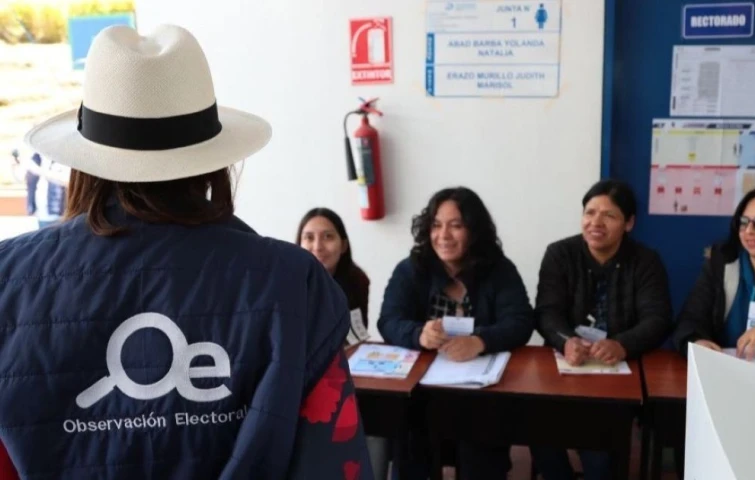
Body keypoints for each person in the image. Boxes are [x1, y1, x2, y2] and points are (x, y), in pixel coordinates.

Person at [0, 24, 372, 480]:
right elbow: (335, 462)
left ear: (86, 160)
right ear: (214, 160)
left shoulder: (8, 281)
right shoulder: (293, 282)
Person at [378, 186, 535, 480]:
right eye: (436, 225)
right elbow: (388, 320)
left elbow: (521, 321)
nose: (444, 235)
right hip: (422, 391)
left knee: (481, 449)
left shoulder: (498, 270)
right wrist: (418, 334)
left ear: (474, 231)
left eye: (456, 225)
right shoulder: (412, 270)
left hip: (480, 392)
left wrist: (480, 341)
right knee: (410, 442)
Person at [533, 179, 672, 480]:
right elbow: (547, 313)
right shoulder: (559, 254)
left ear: (629, 223)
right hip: (566, 366)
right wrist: (566, 341)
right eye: (590, 212)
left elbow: (657, 319)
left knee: (599, 454)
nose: (596, 222)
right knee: (540, 434)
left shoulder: (646, 261)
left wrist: (622, 344)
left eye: (609, 215)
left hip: (618, 374)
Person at [296, 207, 391, 479]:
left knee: (377, 414)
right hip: (305, 378)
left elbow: (357, 332)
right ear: (298, 243)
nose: (318, 246)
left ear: (343, 244)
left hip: (350, 371)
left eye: (328, 237)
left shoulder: (356, 280)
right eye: (309, 237)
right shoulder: (287, 282)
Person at [674, 184, 755, 361]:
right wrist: (696, 341)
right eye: (743, 222)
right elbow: (689, 321)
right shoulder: (722, 264)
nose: (749, 231)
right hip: (728, 373)